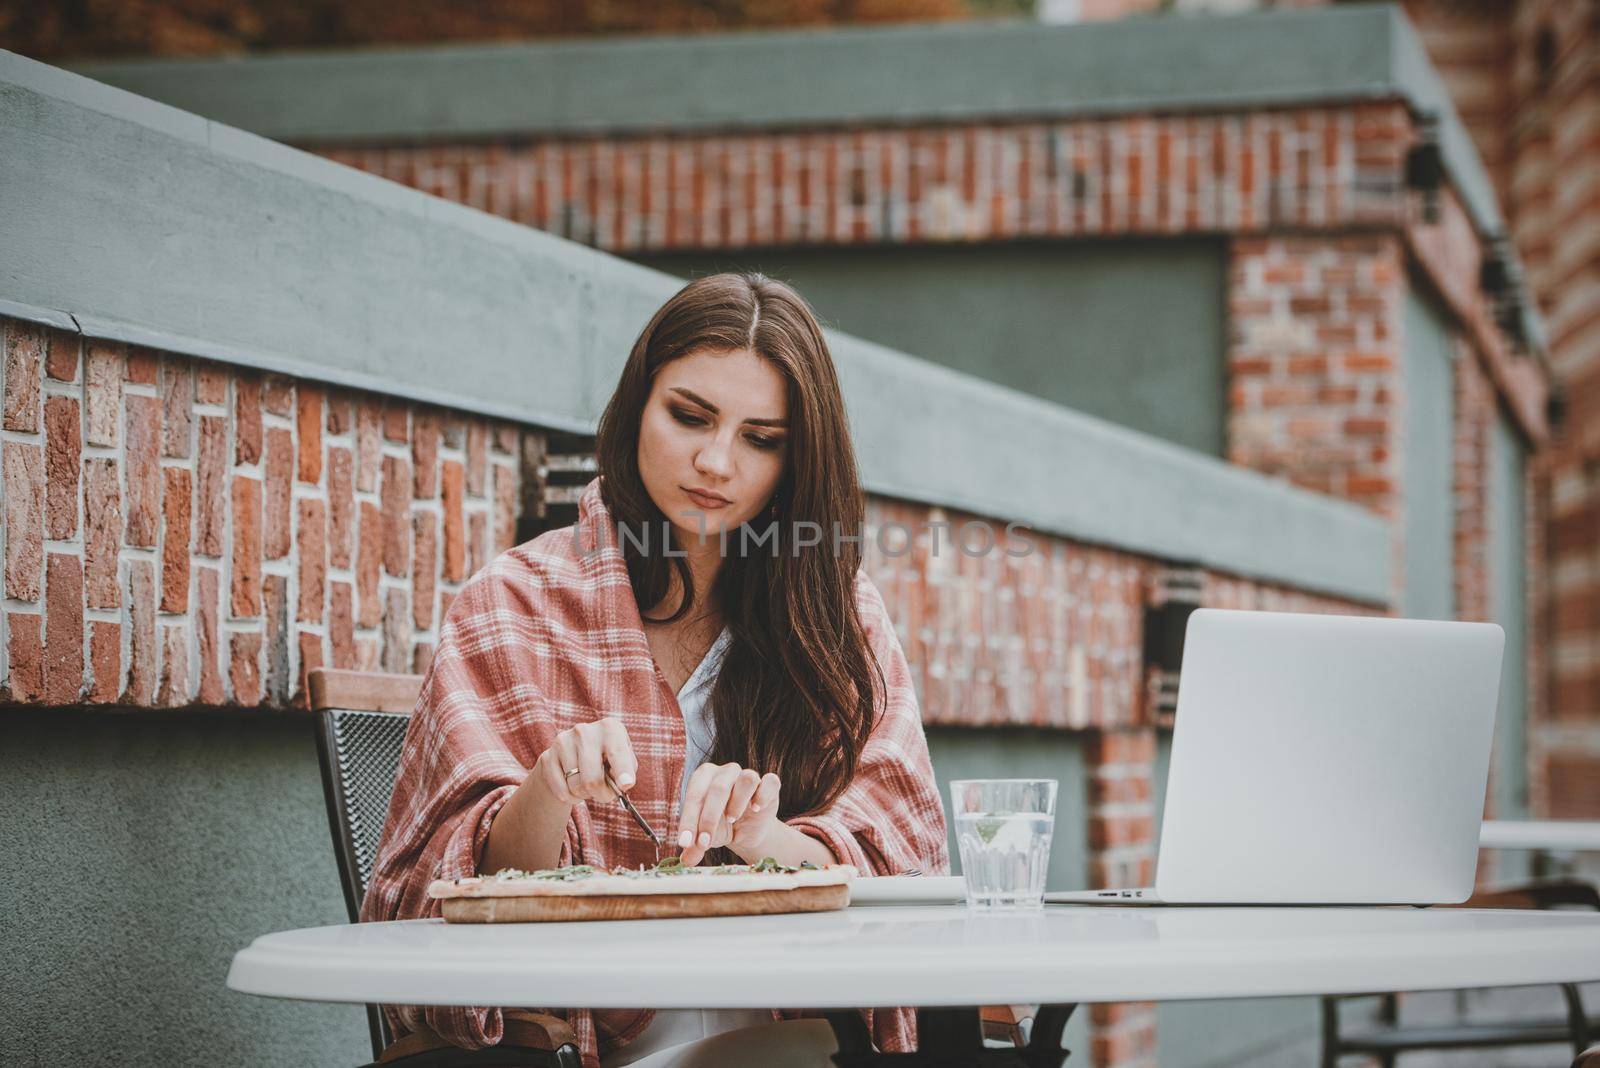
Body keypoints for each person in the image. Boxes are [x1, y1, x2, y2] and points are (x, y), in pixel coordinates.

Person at [361, 272, 949, 1068]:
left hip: (788, 1036)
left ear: (797, 460)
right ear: (638, 403)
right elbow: (433, 898)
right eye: (689, 416)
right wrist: (548, 786)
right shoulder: (511, 603)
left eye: (761, 438)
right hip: (567, 1045)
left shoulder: (837, 616)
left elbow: (897, 864)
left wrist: (761, 839)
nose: (715, 461)